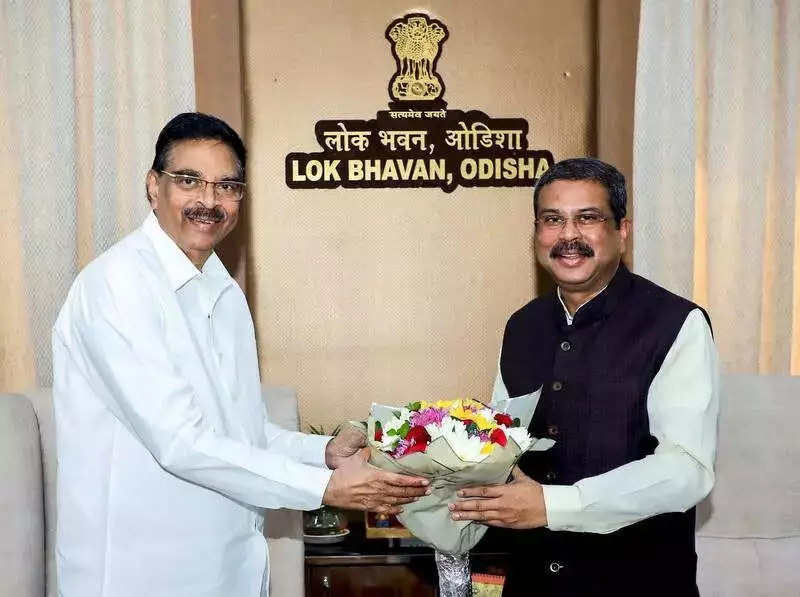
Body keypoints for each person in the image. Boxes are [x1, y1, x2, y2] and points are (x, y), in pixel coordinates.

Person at [52, 112, 429, 597]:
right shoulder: (117, 285)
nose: (209, 201)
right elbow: (181, 442)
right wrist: (323, 489)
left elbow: (241, 432)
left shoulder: (223, 289)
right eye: (189, 180)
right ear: (153, 186)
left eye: (227, 186)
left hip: (229, 568)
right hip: (140, 573)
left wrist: (322, 454)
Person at [449, 157, 718, 596]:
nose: (568, 236)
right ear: (537, 233)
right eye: (553, 219)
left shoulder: (676, 323)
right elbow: (501, 444)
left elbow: (686, 469)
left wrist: (553, 505)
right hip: (533, 583)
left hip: (637, 583)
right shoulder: (522, 325)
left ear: (622, 231)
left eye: (588, 218)